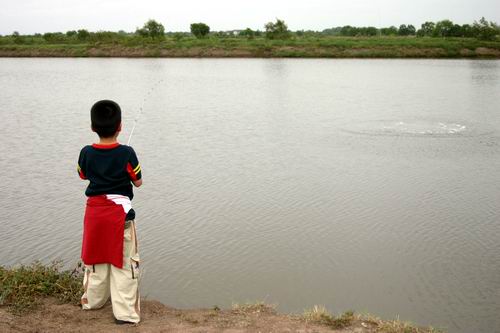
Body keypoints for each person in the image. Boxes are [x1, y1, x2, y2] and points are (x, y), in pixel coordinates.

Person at [77, 100, 143, 324]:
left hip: (95, 217)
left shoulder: (85, 152)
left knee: (95, 259)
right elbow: (139, 182)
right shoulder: (127, 153)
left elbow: (82, 175)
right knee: (125, 264)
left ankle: (92, 302)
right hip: (120, 218)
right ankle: (124, 314)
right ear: (120, 127)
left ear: (93, 127)